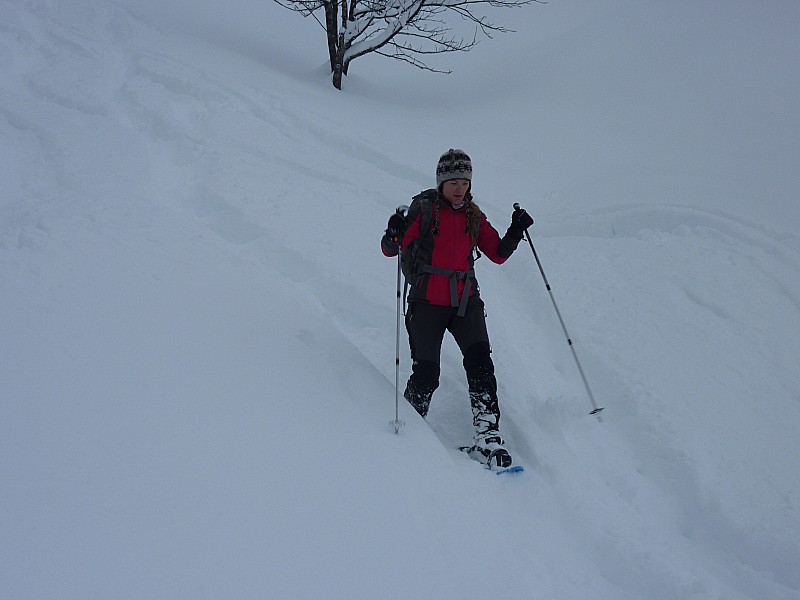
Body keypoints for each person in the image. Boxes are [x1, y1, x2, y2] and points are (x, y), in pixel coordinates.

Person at [381, 148, 534, 468]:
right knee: (427, 373)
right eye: (452, 180)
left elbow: (498, 254)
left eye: (463, 180)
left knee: (481, 365)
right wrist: (393, 229)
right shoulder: (423, 211)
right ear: (441, 182)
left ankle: (488, 435)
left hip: (466, 303)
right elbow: (390, 249)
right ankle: (410, 425)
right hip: (426, 304)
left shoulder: (473, 215)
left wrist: (516, 230)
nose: (458, 187)